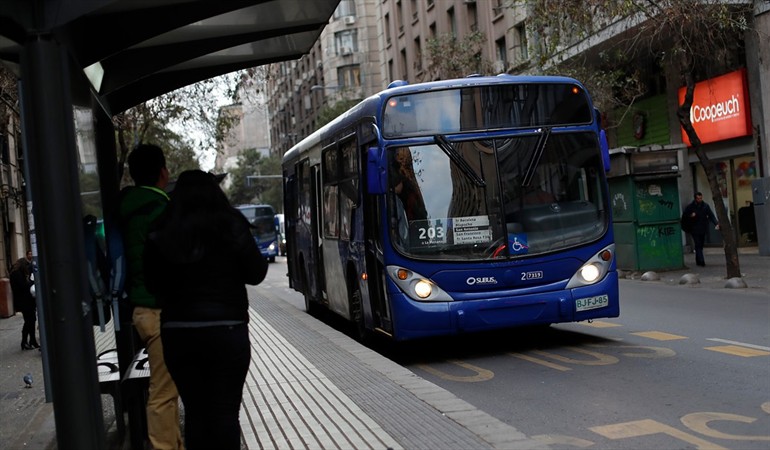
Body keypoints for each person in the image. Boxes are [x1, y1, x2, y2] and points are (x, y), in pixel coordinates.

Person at [143, 170, 267, 450]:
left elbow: (151, 284)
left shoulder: (162, 229)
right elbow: (257, 272)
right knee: (225, 412)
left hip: (178, 333)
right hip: (228, 330)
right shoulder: (231, 223)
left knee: (196, 414)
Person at [118, 144, 184, 449]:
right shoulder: (161, 209)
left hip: (140, 309)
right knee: (163, 392)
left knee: (165, 388)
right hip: (159, 311)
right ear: (163, 172)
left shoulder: (125, 206)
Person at [682, 192, 719, 267]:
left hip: (703, 227)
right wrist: (690, 216)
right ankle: (701, 261)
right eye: (698, 198)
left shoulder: (705, 206)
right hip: (694, 228)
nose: (700, 200)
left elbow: (711, 215)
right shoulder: (690, 207)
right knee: (698, 243)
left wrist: (716, 223)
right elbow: (684, 217)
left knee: (700, 244)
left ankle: (698, 260)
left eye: (701, 198)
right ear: (695, 198)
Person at [10, 255, 38, 350]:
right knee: (29, 321)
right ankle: (25, 341)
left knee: (31, 320)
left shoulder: (15, 273)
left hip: (24, 301)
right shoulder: (17, 274)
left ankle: (31, 340)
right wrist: (32, 282)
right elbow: (23, 286)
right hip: (25, 302)